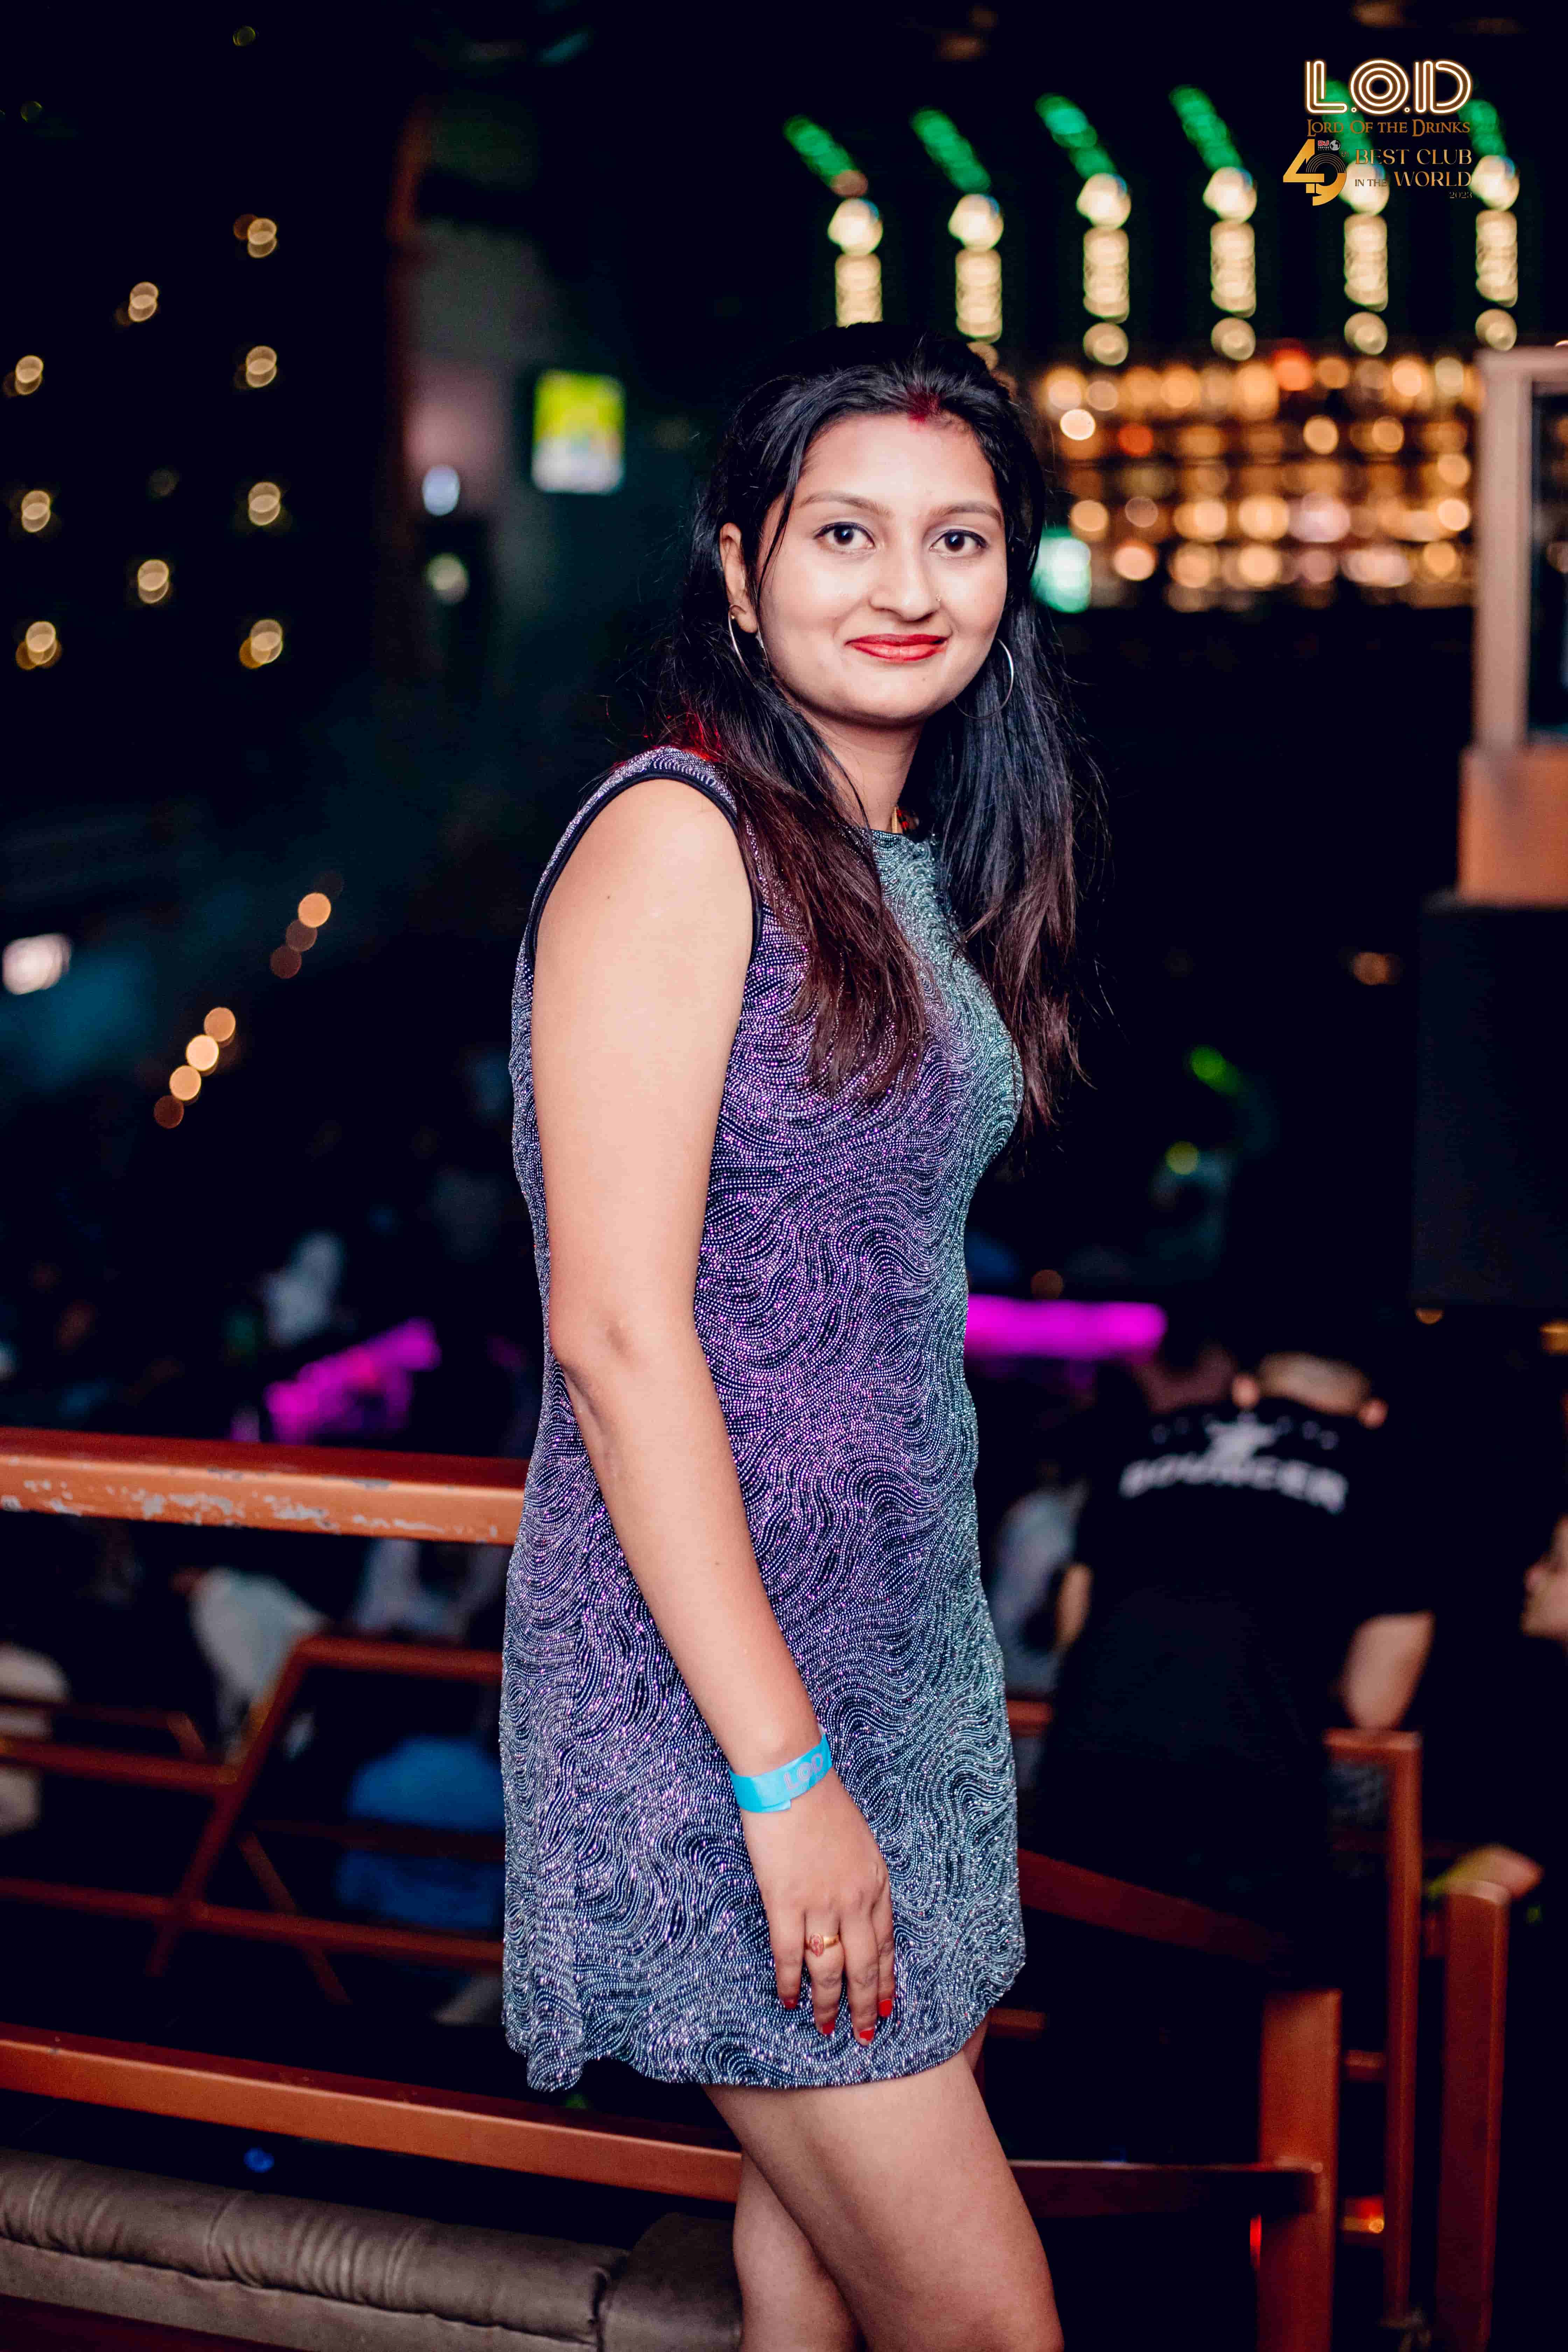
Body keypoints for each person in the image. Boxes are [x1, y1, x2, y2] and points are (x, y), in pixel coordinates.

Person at [503, 326, 1088, 2352]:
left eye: (960, 537)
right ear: (743, 569)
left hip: (900, 1669)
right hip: (726, 1707)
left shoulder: (894, 861)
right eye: (845, 533)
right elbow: (615, 1335)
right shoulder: (685, 837)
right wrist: (783, 1780)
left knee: (810, 2271)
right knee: (988, 2327)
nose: (908, 585)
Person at [1038, 1321, 1434, 1933]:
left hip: (1089, 1762)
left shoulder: (1149, 1440)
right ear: (1372, 1412)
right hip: (1249, 1783)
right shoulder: (1385, 1470)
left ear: (1247, 1390)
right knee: (1238, 1982)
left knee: (1089, 1976)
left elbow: (1075, 1624)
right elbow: (1375, 1703)